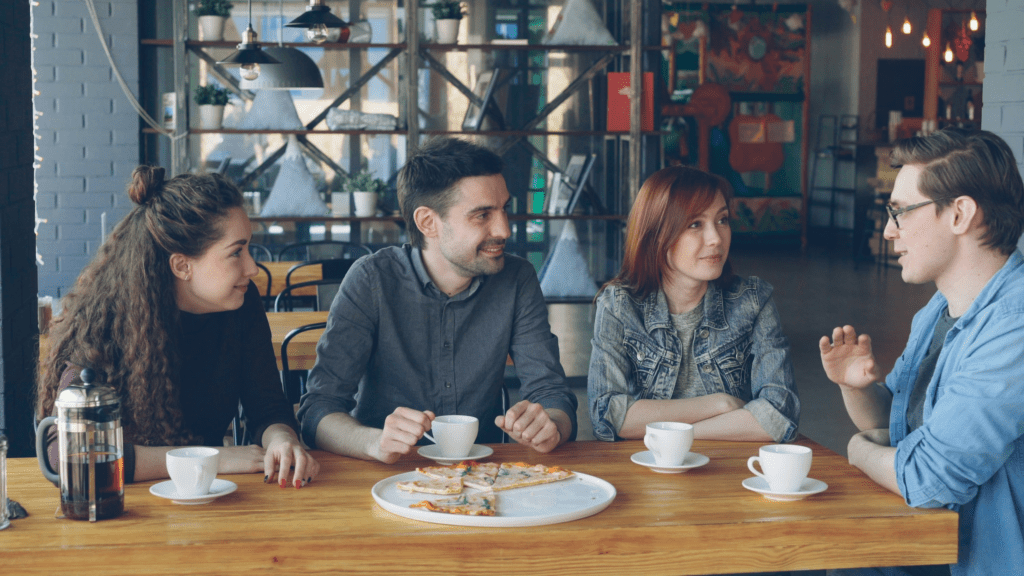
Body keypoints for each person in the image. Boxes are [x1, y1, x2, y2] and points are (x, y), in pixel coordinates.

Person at [297, 137, 578, 463]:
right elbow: (319, 408)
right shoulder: (372, 279)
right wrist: (375, 443)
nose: (504, 229)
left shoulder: (517, 278)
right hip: (382, 477)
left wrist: (551, 425)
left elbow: (552, 393)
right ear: (428, 222)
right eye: (482, 215)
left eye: (504, 210)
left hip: (483, 475)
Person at [819, 129, 1024, 576]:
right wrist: (856, 388)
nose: (890, 231)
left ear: (960, 214)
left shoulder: (1016, 326)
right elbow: (897, 426)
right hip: (919, 543)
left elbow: (929, 480)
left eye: (902, 212)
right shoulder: (938, 310)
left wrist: (857, 451)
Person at [38, 166, 318, 488]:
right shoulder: (106, 323)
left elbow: (267, 406)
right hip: (125, 504)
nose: (253, 268)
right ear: (182, 265)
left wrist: (283, 440)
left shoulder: (240, 303)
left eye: (249, 248)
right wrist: (213, 457)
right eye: (236, 252)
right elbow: (67, 454)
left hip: (204, 498)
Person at [588, 166, 799, 443]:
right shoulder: (619, 306)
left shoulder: (753, 301)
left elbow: (779, 414)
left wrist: (678, 436)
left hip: (731, 471)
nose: (715, 238)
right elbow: (608, 416)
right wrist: (721, 405)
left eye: (722, 220)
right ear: (657, 234)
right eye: (695, 224)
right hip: (647, 470)